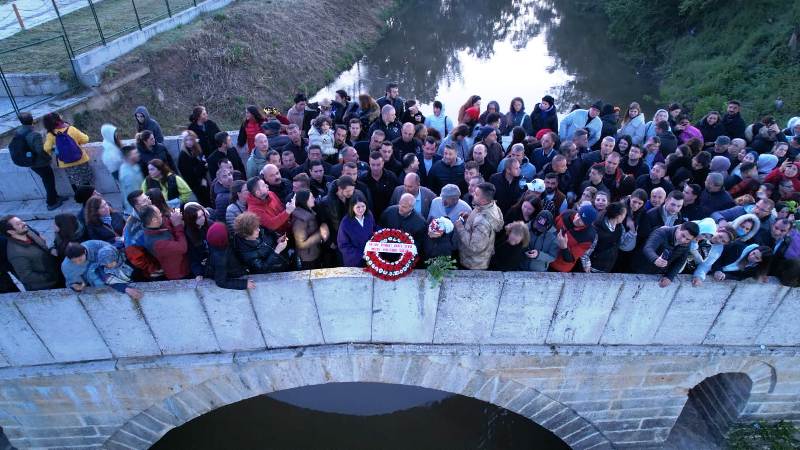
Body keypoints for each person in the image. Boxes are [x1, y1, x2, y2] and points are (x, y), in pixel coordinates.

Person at [9, 112, 62, 210]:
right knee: (49, 181)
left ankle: (55, 197)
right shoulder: (35, 135)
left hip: (30, 162)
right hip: (40, 163)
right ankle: (51, 202)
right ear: (32, 120)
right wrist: (48, 158)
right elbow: (40, 150)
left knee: (47, 180)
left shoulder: (18, 132)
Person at [62, 241, 141, 299]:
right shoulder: (67, 266)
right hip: (93, 285)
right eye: (74, 261)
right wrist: (75, 286)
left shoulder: (98, 246)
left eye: (80, 259)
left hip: (112, 275)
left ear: (85, 252)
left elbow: (112, 256)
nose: (78, 263)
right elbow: (71, 282)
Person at [1, 215, 61, 291]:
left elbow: (43, 246)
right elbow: (27, 276)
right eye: (18, 224)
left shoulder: (28, 231)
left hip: (55, 275)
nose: (24, 223)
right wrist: (49, 276)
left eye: (21, 221)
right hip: (47, 286)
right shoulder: (17, 254)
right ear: (11, 231)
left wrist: (52, 250)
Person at [633, 221, 700, 287]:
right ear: (679, 228)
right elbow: (648, 248)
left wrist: (669, 277)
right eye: (682, 235)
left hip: (655, 273)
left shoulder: (687, 243)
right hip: (636, 268)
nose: (683, 240)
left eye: (687, 239)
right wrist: (655, 259)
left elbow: (681, 261)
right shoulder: (662, 232)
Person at [454, 182, 504, 269]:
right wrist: (469, 218)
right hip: (479, 258)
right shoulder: (491, 206)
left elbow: (474, 247)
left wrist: (460, 228)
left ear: (484, 200)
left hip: (472, 264)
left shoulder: (482, 223)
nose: (473, 194)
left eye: (476, 194)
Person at [42, 112, 94, 192]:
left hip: (66, 163)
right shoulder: (71, 129)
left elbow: (46, 148)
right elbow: (85, 140)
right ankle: (91, 196)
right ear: (58, 119)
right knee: (86, 179)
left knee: (74, 181)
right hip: (81, 159)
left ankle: (81, 198)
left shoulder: (50, 134)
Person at [140, 204, 189, 280]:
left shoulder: (153, 226)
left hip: (182, 264)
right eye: (159, 213)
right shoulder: (157, 243)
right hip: (179, 273)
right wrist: (178, 225)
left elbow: (167, 224)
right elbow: (182, 248)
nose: (162, 214)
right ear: (154, 220)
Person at [205, 222, 254, 290]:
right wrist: (243, 284)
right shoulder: (220, 259)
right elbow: (221, 282)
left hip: (234, 265)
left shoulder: (217, 242)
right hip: (234, 273)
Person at [550, 204, 598, 272]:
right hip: (547, 256)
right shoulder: (566, 213)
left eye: (582, 220)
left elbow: (570, 259)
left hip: (558, 266)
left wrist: (564, 247)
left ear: (587, 224)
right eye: (578, 215)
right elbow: (554, 224)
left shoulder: (588, 236)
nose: (577, 219)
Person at [291, 190, 329, 269]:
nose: (314, 199)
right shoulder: (300, 221)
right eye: (311, 197)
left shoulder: (310, 212)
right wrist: (320, 233)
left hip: (314, 252)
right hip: (308, 258)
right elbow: (301, 244)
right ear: (305, 200)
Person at [337, 192, 376, 267]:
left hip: (370, 256)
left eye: (363, 206)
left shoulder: (369, 215)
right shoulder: (345, 222)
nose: (361, 210)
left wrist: (385, 233)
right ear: (352, 207)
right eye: (358, 207)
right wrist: (361, 255)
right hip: (354, 260)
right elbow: (343, 245)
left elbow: (374, 229)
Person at [359, 151, 399, 218]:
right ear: (369, 163)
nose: (375, 168)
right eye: (373, 165)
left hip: (388, 215)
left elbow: (396, 197)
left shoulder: (391, 177)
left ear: (383, 163)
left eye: (378, 165)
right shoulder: (362, 179)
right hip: (368, 216)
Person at [178, 130, 211, 206]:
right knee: (204, 201)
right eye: (187, 140)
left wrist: (203, 175)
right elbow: (190, 173)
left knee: (208, 199)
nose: (189, 142)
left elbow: (204, 165)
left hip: (203, 179)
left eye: (191, 139)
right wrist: (202, 165)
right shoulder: (183, 155)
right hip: (196, 183)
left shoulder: (196, 150)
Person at [183, 203, 210, 278]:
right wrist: (198, 273)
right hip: (203, 265)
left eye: (203, 215)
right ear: (191, 220)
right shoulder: (188, 235)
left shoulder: (209, 224)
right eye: (199, 217)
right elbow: (192, 257)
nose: (203, 218)